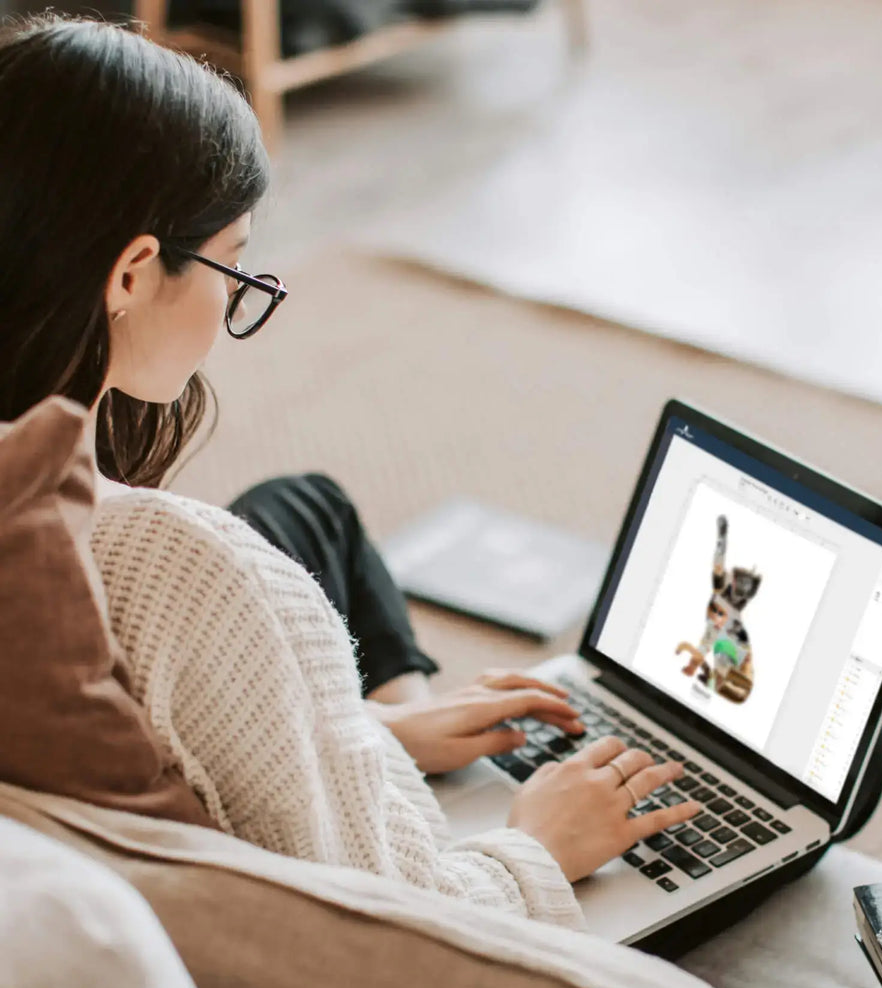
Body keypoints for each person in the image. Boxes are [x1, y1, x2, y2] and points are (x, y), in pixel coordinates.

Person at [0, 13, 705, 931]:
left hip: (261, 695)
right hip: (422, 892)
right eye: (234, 265)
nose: (234, 303)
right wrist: (539, 843)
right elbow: (393, 918)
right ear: (132, 273)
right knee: (864, 765)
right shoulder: (193, 571)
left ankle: (379, 731)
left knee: (307, 507)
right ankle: (399, 763)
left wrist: (371, 738)